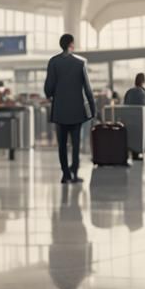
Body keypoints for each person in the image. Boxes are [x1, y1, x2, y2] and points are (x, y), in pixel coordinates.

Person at [44, 33, 96, 184]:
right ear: (71, 44)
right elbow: (87, 88)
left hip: (60, 110)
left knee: (62, 145)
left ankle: (65, 174)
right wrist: (93, 109)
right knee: (76, 143)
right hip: (76, 110)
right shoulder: (80, 63)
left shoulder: (53, 62)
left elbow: (48, 88)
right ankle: (75, 172)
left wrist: (54, 94)